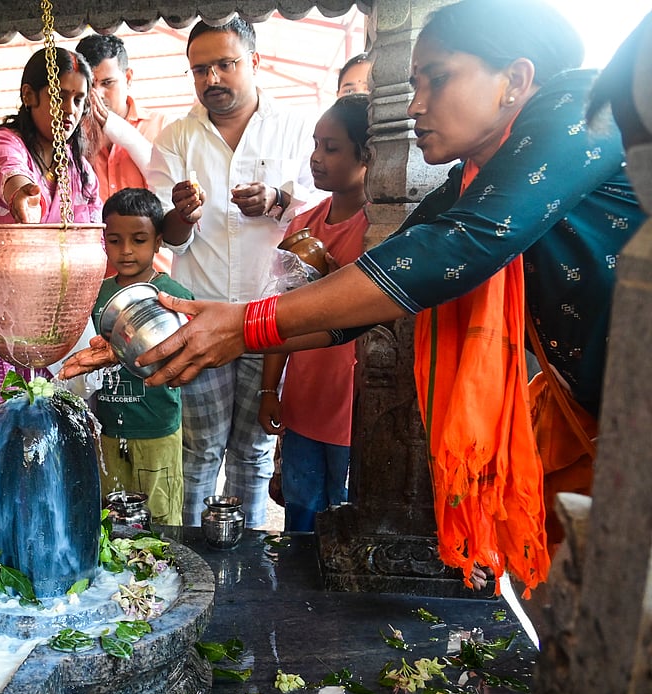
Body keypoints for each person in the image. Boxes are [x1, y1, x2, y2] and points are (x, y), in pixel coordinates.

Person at [64, 0, 644, 595]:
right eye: (415, 84)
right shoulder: (475, 181)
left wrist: (244, 325)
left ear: (515, 80)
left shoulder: (582, 109)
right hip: (603, 413)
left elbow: (449, 251)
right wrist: (176, 335)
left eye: (437, 80)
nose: (414, 105)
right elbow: (370, 296)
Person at [145, 17, 317, 530]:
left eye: (225, 64)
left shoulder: (297, 129)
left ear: (255, 62)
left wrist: (280, 201)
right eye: (200, 70)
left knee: (254, 451)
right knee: (200, 450)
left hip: (273, 319)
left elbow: (327, 211)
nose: (212, 79)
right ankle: (197, 558)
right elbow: (166, 234)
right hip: (199, 318)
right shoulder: (176, 138)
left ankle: (250, 567)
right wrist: (181, 213)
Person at [0, 47, 101, 429]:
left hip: (55, 318)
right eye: (58, 96)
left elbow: (88, 237)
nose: (70, 109)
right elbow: (10, 175)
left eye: (79, 99)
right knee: (0, 430)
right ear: (28, 96)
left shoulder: (79, 170)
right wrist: (23, 196)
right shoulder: (0, 145)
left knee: (55, 428)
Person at [258, 94, 370, 533]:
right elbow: (278, 312)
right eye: (315, 144)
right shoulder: (304, 223)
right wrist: (270, 389)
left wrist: (333, 274)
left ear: (368, 155)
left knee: (346, 521)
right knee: (300, 518)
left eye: (332, 147)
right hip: (305, 398)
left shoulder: (381, 227)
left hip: (353, 404)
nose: (316, 158)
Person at [92, 188, 192, 526]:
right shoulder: (97, 294)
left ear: (159, 241)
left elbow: (191, 357)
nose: (126, 251)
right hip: (108, 428)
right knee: (111, 515)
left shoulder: (174, 297)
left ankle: (166, 574)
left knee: (160, 515)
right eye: (115, 241)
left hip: (156, 429)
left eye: (138, 240)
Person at [75, 33, 172, 276]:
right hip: (94, 278)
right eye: (90, 84)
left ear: (128, 77)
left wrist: (114, 127)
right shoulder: (72, 136)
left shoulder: (161, 127)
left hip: (156, 276)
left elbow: (167, 191)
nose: (97, 95)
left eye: (107, 83)